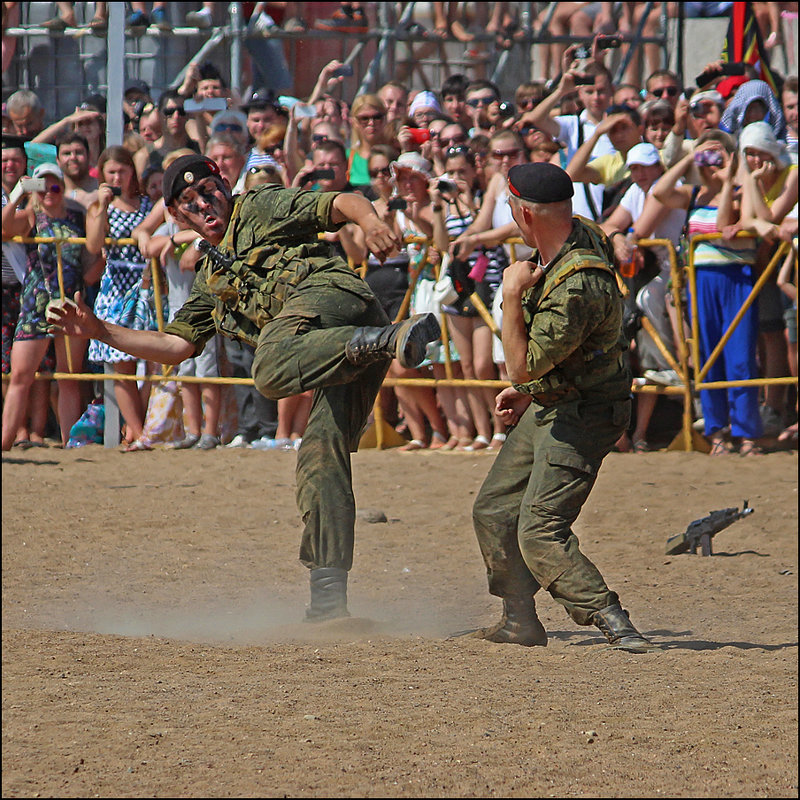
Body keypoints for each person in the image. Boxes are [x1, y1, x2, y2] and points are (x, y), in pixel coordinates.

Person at [47, 152, 441, 621]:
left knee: (269, 368)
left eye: (209, 190)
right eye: (189, 201)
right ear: (174, 216)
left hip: (335, 302)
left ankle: (392, 338)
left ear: (225, 183)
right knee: (320, 457)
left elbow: (340, 203)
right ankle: (330, 603)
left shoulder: (258, 205)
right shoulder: (210, 279)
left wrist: (372, 221)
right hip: (351, 345)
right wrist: (100, 331)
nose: (205, 204)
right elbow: (175, 346)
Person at [459, 161, 659, 652]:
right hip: (554, 399)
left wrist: (509, 297)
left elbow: (520, 367)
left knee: (540, 529)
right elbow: (555, 361)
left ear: (526, 215)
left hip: (586, 411)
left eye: (511, 205)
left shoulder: (576, 284)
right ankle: (519, 621)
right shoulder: (576, 235)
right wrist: (530, 391)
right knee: (494, 509)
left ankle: (611, 618)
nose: (509, 213)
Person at [652, 130, 762, 455]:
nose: (711, 160)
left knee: (741, 357)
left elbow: (727, 224)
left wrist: (729, 176)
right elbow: (659, 192)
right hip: (702, 280)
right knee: (707, 356)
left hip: (736, 277)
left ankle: (747, 435)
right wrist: (691, 156)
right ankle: (718, 434)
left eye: (717, 153)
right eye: (707, 154)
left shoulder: (743, 191)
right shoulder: (694, 193)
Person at [1, 163, 101, 450]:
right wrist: (21, 192)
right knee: (21, 375)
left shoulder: (76, 217)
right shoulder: (32, 215)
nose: (48, 192)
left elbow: (91, 256)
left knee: (68, 376)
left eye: (54, 186)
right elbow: (4, 227)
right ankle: (5, 441)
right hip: (36, 303)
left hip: (70, 303)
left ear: (63, 188)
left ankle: (70, 441)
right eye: (41, 186)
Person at [85, 146, 157, 450]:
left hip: (146, 287)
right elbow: (93, 244)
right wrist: (101, 205)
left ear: (132, 173)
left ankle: (137, 426)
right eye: (111, 172)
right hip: (116, 289)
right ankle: (139, 431)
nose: (117, 177)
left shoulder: (147, 204)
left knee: (154, 361)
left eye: (122, 171)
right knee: (121, 364)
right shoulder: (99, 206)